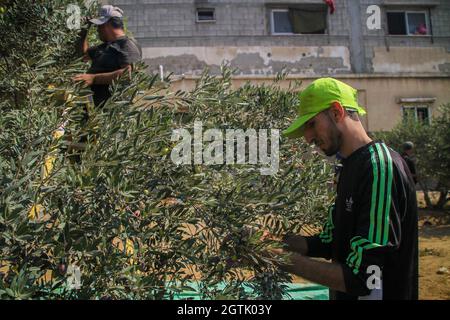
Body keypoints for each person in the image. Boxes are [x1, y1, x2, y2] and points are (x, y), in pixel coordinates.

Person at [272, 78, 418, 300]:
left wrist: (276, 257)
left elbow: (364, 278)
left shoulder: (379, 167)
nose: (308, 137)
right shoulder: (348, 167)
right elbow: (331, 241)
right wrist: (273, 242)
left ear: (337, 112)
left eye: (311, 124)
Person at [73, 5, 142, 107]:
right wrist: (84, 32)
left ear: (107, 25)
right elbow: (84, 55)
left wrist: (93, 78)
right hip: (96, 108)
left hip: (112, 110)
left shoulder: (127, 44)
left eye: (98, 26)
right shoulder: (106, 46)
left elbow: (128, 74)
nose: (97, 30)